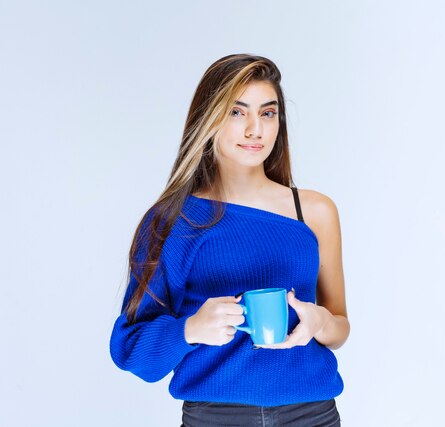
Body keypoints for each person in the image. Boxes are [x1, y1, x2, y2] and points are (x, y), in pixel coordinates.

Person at [109, 53, 350, 427]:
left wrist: (319, 322)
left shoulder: (315, 211)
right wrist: (190, 329)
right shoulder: (172, 221)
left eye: (267, 113)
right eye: (237, 113)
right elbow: (130, 348)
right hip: (215, 418)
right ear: (209, 120)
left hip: (313, 414)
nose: (255, 129)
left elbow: (340, 327)